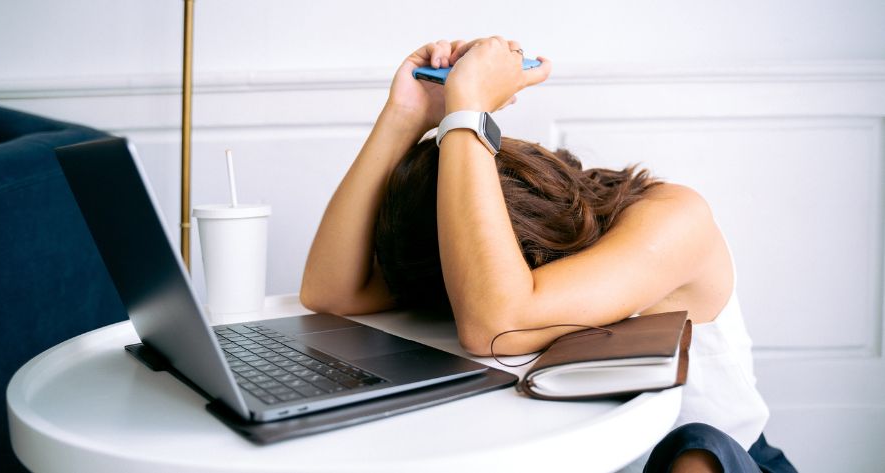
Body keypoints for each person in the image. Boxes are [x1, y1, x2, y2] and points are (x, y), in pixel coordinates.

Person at [300, 37, 797, 473]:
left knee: (696, 451)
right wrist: (407, 114)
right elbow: (332, 291)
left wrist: (470, 108)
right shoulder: (466, 261)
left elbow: (497, 324)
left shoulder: (673, 219)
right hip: (581, 459)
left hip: (723, 460)